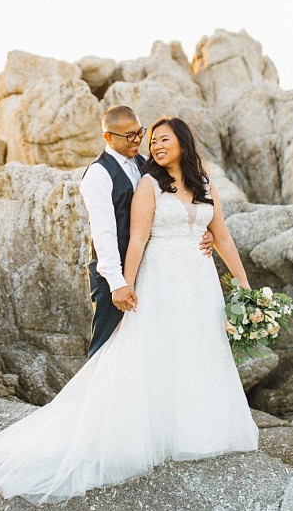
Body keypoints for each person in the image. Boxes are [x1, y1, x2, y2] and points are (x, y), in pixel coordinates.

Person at [0, 115, 258, 505]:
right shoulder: (141, 180)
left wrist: (245, 287)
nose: (152, 145)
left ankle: (197, 430)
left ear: (184, 142)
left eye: (159, 139)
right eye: (149, 140)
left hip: (199, 279)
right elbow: (129, 238)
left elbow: (219, 232)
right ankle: (112, 424)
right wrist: (122, 283)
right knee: (138, 352)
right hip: (155, 278)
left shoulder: (201, 177)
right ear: (110, 136)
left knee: (199, 350)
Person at [79, 105, 213, 356]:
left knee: (142, 347)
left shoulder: (147, 165)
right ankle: (95, 395)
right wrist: (118, 283)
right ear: (108, 137)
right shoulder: (98, 174)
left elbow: (174, 203)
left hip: (151, 271)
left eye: (139, 132)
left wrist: (203, 231)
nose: (138, 140)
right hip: (114, 276)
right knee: (107, 346)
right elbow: (103, 234)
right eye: (129, 136)